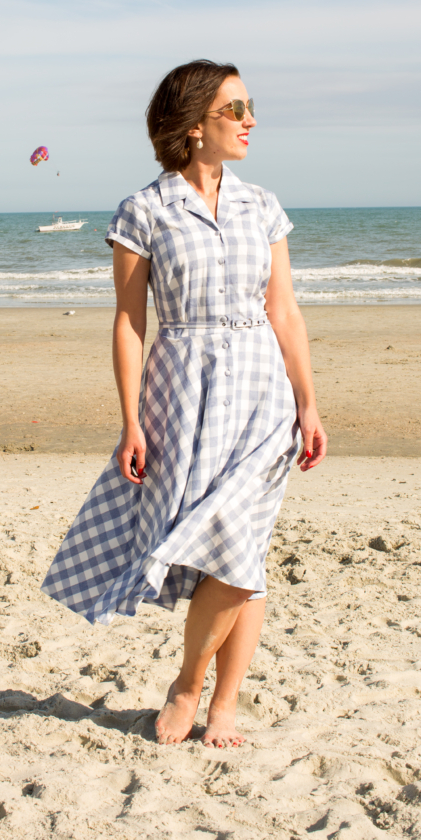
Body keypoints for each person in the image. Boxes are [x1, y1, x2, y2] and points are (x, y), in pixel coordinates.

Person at [42, 60, 327, 748]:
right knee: (233, 554)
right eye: (235, 109)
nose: (250, 119)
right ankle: (210, 696)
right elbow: (129, 321)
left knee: (239, 543)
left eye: (248, 106)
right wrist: (131, 419)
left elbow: (283, 312)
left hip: (262, 391)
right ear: (195, 125)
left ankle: (199, 691)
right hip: (183, 391)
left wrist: (309, 405)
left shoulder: (262, 205)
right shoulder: (144, 211)